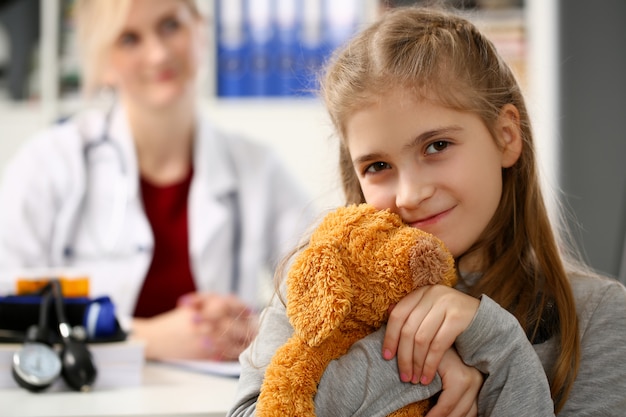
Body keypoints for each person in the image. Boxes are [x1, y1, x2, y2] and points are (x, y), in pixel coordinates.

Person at [228, 5, 626, 417]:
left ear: (506, 137)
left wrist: (494, 342)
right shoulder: (320, 290)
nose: (410, 194)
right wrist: (417, 367)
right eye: (378, 167)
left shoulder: (597, 317)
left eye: (436, 146)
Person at [0, 0, 315, 362]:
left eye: (170, 25)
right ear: (103, 63)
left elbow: (323, 278)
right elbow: (9, 312)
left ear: (200, 28)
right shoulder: (48, 163)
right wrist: (145, 337)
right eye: (129, 39)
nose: (158, 54)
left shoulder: (257, 166)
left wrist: (257, 331)